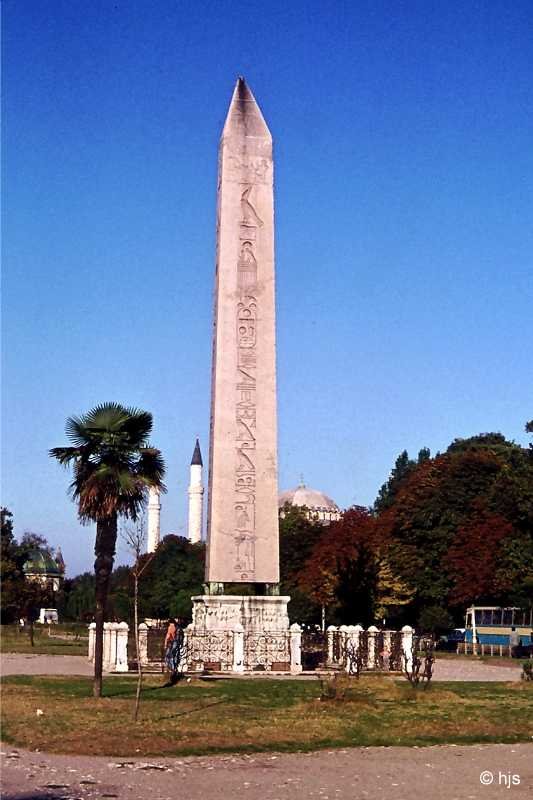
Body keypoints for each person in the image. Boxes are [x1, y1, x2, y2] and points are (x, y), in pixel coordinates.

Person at [164, 618, 183, 684]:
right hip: (177, 643)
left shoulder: (171, 627)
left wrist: (165, 643)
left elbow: (168, 635)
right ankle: (174, 668)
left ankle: (172, 669)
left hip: (172, 643)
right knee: (174, 656)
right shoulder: (178, 627)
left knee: (168, 657)